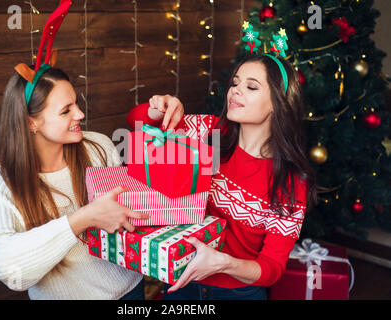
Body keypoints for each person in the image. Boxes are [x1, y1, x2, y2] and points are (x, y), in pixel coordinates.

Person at [127, 54, 317, 300]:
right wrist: (157, 110)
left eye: (250, 86)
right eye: (235, 83)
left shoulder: (290, 182)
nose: (235, 91)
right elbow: (137, 122)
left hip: (238, 293)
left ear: (277, 103)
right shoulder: (211, 132)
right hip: (182, 282)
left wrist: (225, 264)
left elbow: (272, 267)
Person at [0, 66, 149, 300]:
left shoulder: (99, 147)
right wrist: (81, 220)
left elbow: (131, 214)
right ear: (31, 124)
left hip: (130, 291)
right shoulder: (1, 179)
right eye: (66, 111)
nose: (79, 114)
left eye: (76, 104)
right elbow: (8, 268)